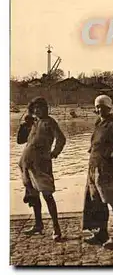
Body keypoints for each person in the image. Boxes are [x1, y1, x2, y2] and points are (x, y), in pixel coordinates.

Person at [83, 95, 113, 249]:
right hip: (95, 168)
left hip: (109, 170)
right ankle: (101, 233)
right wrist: (93, 149)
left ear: (109, 108)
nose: (99, 110)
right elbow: (99, 141)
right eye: (97, 107)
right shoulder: (99, 122)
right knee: (97, 203)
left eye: (102, 107)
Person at [17, 97, 66, 241]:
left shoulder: (50, 122)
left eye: (40, 108)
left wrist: (54, 153)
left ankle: (56, 228)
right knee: (33, 195)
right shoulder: (33, 123)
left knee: (47, 195)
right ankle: (38, 224)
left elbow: (61, 139)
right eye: (35, 108)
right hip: (27, 165)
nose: (37, 110)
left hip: (42, 165)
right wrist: (23, 125)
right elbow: (20, 141)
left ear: (46, 109)